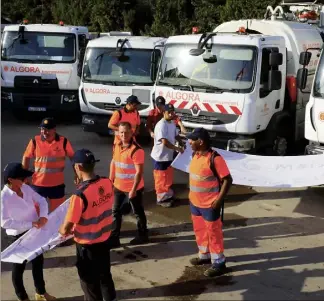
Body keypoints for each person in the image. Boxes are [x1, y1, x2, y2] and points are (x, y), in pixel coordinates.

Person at [59, 149, 116, 301]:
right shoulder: (107, 182)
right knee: (105, 276)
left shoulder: (79, 196)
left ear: (78, 167)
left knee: (90, 284)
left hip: (87, 247)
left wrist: (61, 229)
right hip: (104, 240)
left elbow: (65, 229)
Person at [1, 163, 56, 301]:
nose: (26, 180)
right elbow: (4, 222)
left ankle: (41, 293)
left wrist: (43, 216)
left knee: (38, 263)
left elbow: (42, 201)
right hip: (18, 236)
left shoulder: (25, 188)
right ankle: (23, 297)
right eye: (22, 178)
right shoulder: (4, 198)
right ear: (11, 180)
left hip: (34, 232)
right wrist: (30, 224)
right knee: (18, 268)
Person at [187, 128, 233, 277]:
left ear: (201, 142)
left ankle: (219, 262)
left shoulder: (215, 158)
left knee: (214, 233)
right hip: (195, 203)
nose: (189, 142)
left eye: (192, 140)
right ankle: (204, 255)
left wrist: (218, 201)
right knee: (200, 231)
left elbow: (227, 180)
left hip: (209, 205)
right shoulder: (195, 155)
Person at [22, 117, 76, 213]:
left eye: (48, 130)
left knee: (58, 214)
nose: (44, 132)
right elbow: (26, 157)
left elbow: (73, 158)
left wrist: (77, 174)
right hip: (38, 185)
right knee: (36, 213)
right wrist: (24, 177)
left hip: (57, 185)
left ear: (54, 129)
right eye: (43, 129)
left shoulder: (63, 142)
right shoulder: (35, 141)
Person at [109, 122, 148, 247]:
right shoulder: (116, 145)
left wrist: (133, 189)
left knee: (137, 212)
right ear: (118, 133)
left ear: (131, 132)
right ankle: (114, 239)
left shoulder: (136, 150)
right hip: (118, 186)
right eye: (121, 132)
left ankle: (143, 236)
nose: (123, 135)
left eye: (126, 132)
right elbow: (113, 162)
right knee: (115, 211)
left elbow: (139, 172)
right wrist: (111, 180)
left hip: (133, 188)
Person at [150, 104, 185, 208]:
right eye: (168, 112)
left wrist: (181, 142)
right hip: (159, 157)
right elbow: (164, 142)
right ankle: (160, 199)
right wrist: (177, 148)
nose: (171, 114)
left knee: (168, 176)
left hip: (168, 156)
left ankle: (168, 195)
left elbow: (175, 135)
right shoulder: (161, 125)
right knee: (161, 178)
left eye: (172, 112)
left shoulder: (171, 123)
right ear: (163, 112)